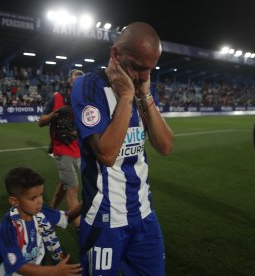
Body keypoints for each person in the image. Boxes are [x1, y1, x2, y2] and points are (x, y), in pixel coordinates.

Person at [70, 22, 174, 275]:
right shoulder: (88, 86)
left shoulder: (142, 88)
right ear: (115, 54)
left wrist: (145, 96)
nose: (142, 76)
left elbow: (165, 146)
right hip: (104, 218)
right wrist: (127, 98)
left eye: (149, 70)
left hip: (144, 214)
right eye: (137, 68)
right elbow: (106, 154)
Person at [0, 166, 82, 276]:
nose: (40, 201)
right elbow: (18, 266)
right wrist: (55, 271)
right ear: (14, 201)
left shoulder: (41, 212)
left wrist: (86, 202)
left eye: (41, 195)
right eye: (33, 198)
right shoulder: (8, 227)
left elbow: (66, 217)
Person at [38, 69, 85, 229]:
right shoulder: (57, 98)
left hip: (78, 150)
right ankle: (79, 228)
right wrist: (54, 115)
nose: (78, 85)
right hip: (61, 148)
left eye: (81, 82)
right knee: (73, 187)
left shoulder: (85, 102)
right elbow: (41, 121)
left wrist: (75, 131)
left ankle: (49, 212)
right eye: (75, 81)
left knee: (64, 185)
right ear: (69, 82)